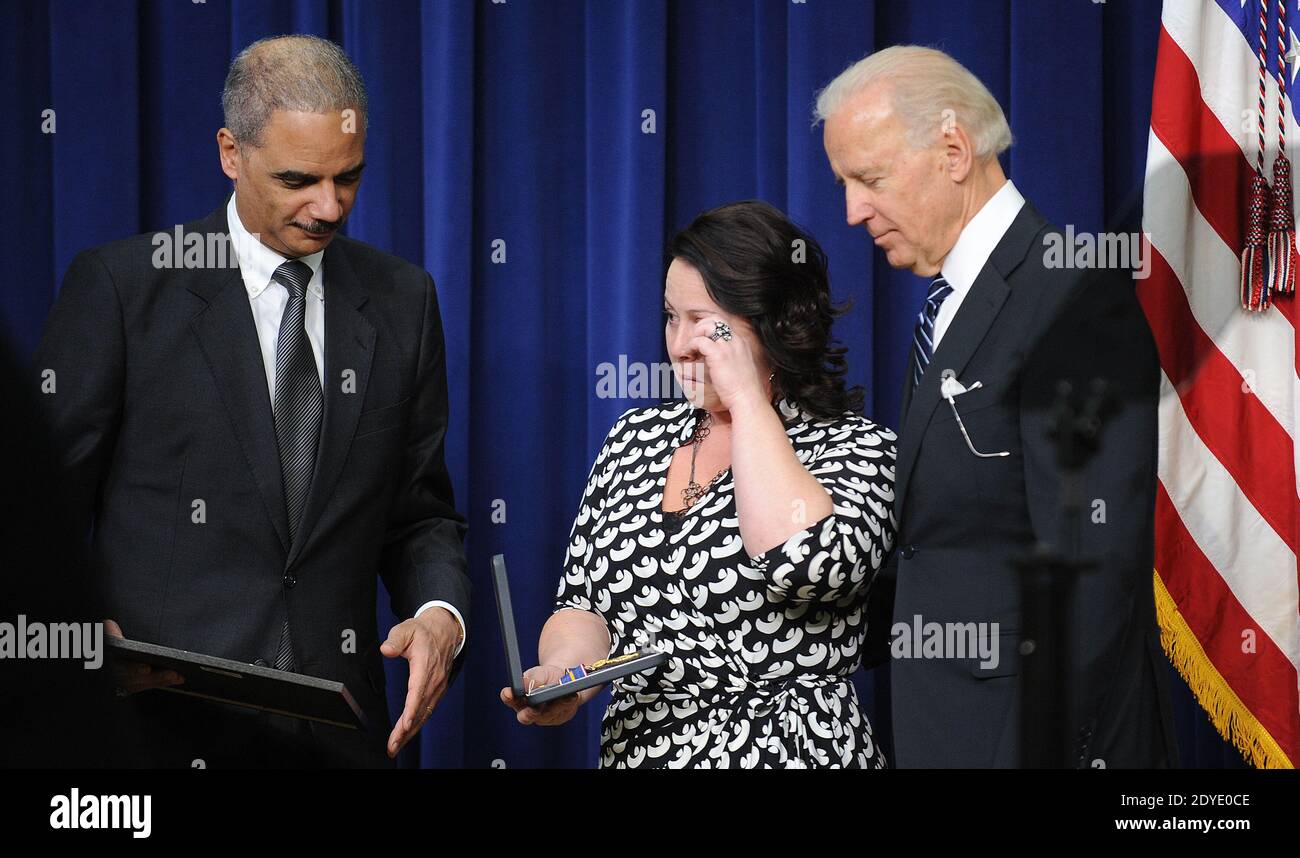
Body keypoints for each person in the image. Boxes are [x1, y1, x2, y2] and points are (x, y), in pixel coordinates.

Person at [32, 35, 469, 767]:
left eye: (349, 177)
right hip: (156, 731)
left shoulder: (403, 300)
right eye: (298, 179)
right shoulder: (123, 289)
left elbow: (419, 512)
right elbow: (30, 514)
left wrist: (438, 614)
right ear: (231, 153)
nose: (328, 207)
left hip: (340, 737)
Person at [817, 45, 1177, 767]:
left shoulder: (1070, 298)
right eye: (844, 184)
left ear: (953, 149)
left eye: (870, 179)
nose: (853, 211)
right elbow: (943, 546)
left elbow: (1089, 576)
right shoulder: (955, 303)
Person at [501, 201, 897, 768]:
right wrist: (568, 674)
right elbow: (584, 602)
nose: (680, 343)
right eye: (670, 316)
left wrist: (744, 400)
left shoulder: (857, 449)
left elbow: (803, 565)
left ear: (775, 324)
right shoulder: (634, 437)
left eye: (706, 324)